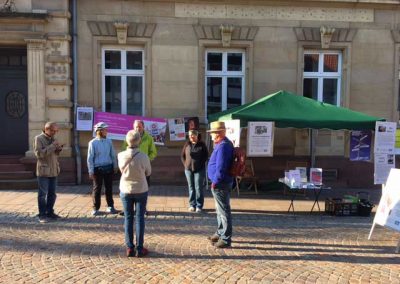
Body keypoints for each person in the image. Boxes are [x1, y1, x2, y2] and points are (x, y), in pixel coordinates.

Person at [118, 130, 151, 257]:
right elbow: (148, 172)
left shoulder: (121, 155)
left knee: (128, 218)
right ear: (139, 141)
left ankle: (129, 247)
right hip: (141, 189)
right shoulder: (144, 156)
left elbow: (121, 170)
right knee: (140, 218)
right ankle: (140, 247)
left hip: (125, 189)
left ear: (127, 141)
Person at [207, 121, 234, 248]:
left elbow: (221, 168)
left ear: (217, 134)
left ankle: (226, 238)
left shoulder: (223, 146)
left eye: (212, 133)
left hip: (220, 184)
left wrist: (215, 182)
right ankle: (220, 232)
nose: (211, 135)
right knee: (219, 210)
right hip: (221, 183)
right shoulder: (222, 144)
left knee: (223, 211)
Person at [122, 120, 157, 215]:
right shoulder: (128, 137)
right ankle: (129, 207)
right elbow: (123, 150)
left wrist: (146, 160)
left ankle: (142, 208)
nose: (137, 129)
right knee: (129, 187)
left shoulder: (149, 138)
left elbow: (153, 152)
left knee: (143, 188)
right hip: (130, 167)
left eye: (139, 127)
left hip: (143, 168)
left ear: (143, 127)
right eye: (136, 127)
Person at [34, 121, 63, 223]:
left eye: (56, 131)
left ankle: (50, 212)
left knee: (52, 194)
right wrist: (52, 146)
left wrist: (58, 149)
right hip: (44, 171)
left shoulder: (53, 139)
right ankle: (42, 215)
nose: (55, 133)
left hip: (54, 170)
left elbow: (53, 155)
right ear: (47, 129)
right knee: (42, 194)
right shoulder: (39, 138)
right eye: (53, 131)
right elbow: (40, 154)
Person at [87, 122, 118, 216]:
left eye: (106, 129)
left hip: (108, 167)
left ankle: (110, 206)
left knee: (109, 188)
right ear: (99, 131)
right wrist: (91, 171)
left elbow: (112, 154)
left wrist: (115, 165)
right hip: (97, 169)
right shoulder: (93, 143)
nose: (106, 131)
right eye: (105, 129)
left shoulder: (109, 141)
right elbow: (90, 158)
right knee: (97, 188)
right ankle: (95, 208)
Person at [180, 129, 208, 213]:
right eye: (189, 135)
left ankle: (199, 205)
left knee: (198, 187)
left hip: (199, 169)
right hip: (188, 169)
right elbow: (182, 156)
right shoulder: (187, 144)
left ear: (196, 135)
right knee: (191, 187)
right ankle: (192, 204)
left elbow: (206, 156)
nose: (191, 137)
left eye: (192, 135)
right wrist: (185, 164)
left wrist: (200, 163)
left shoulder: (202, 144)